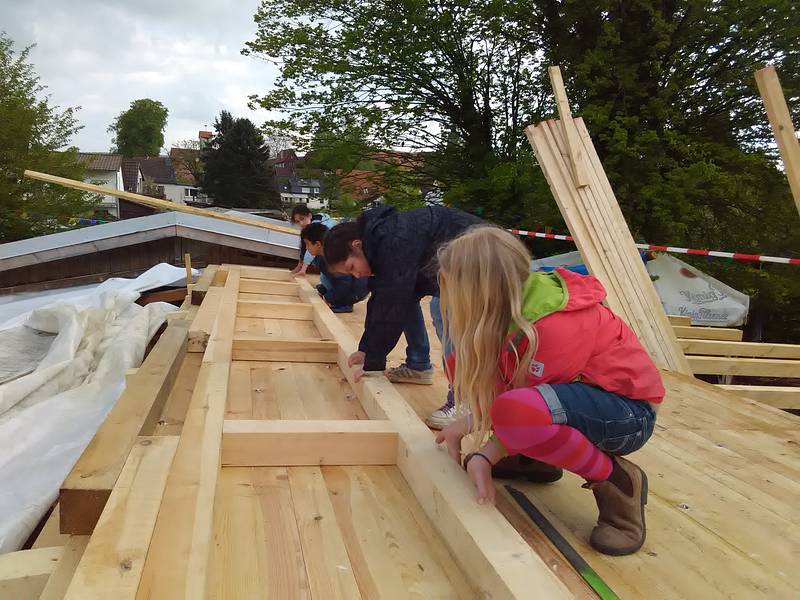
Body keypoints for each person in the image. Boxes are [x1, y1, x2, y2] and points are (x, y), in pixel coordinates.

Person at [434, 227, 662, 556]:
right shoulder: (516, 306)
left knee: (518, 413)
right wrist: (467, 422)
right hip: (577, 402)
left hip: (628, 416)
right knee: (473, 370)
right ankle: (532, 460)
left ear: (477, 290)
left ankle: (617, 481)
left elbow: (523, 407)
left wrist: (486, 455)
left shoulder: (553, 325)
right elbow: (510, 384)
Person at [323, 204, 481, 427]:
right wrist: (366, 349)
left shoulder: (392, 240)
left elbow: (392, 301)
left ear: (357, 245)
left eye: (351, 267)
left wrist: (374, 362)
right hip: (455, 262)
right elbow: (381, 299)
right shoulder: (380, 241)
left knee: (445, 310)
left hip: (484, 258)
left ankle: (465, 400)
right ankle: (419, 366)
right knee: (408, 299)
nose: (356, 275)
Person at [301, 222, 369, 313]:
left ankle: (344, 304)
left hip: (357, 290)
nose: (306, 248)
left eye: (308, 244)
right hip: (350, 284)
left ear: (317, 244)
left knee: (340, 287)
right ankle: (332, 293)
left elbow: (344, 283)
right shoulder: (322, 256)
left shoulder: (334, 257)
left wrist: (328, 298)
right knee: (326, 280)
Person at [290, 205, 336, 276]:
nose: (301, 223)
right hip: (329, 253)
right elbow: (304, 247)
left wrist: (303, 270)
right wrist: (299, 266)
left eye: (302, 219)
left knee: (316, 258)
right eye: (298, 221)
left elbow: (312, 248)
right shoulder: (308, 227)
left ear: (310, 215)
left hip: (337, 254)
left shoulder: (318, 227)